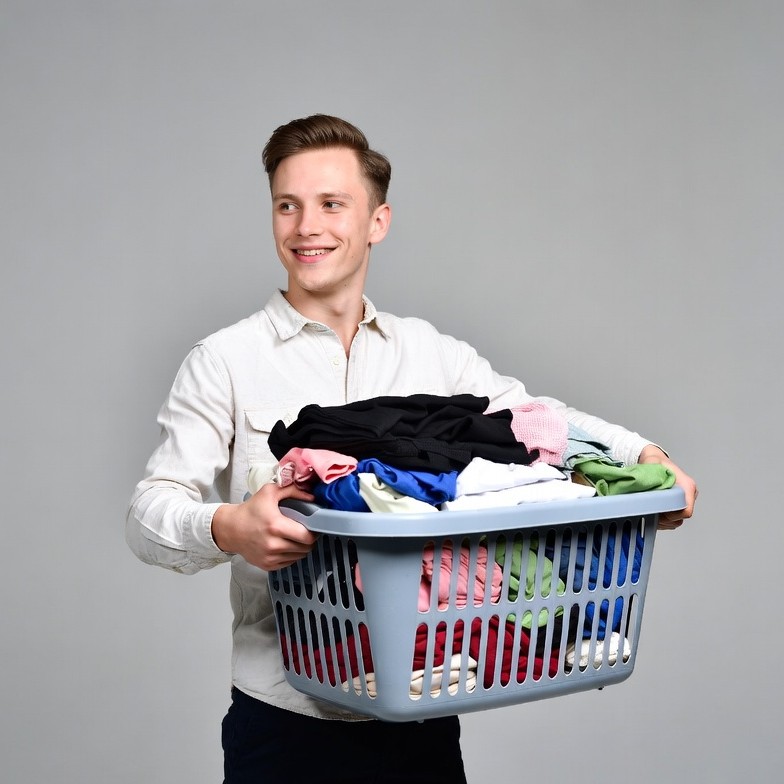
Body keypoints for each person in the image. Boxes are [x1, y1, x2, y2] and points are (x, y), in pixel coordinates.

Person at [126, 114, 697, 783]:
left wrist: (643, 455)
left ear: (377, 222)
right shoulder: (224, 359)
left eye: (332, 204)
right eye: (288, 205)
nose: (307, 227)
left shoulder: (431, 355)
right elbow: (148, 513)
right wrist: (229, 525)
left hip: (425, 709)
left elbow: (535, 418)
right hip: (282, 723)